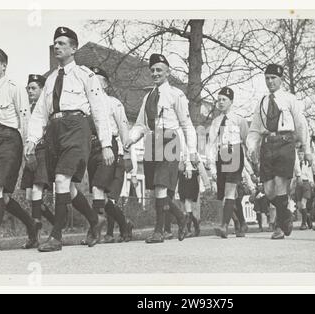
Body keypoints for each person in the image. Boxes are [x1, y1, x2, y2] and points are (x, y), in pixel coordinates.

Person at [25, 27, 114, 252]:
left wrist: (106, 144)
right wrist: (32, 140)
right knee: (67, 187)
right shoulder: (51, 79)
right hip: (54, 130)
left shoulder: (86, 75)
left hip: (77, 127)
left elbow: (99, 109)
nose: (57, 46)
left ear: (74, 48)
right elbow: (39, 114)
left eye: (63, 43)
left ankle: (56, 236)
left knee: (62, 177)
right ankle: (95, 220)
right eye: (55, 43)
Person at [125, 53, 197, 244]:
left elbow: (186, 125)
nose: (155, 73)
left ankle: (159, 231)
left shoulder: (176, 94)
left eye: (159, 70)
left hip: (169, 139)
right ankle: (181, 218)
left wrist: (191, 154)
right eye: (153, 70)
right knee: (156, 189)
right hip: (151, 141)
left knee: (160, 186)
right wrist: (130, 139)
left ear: (167, 72)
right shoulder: (148, 97)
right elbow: (140, 124)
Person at [0, 46, 37, 253]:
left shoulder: (15, 88)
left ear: (4, 66)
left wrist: (27, 147)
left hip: (10, 140)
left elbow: (25, 118)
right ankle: (31, 226)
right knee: (0, 195)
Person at [247, 64, 312, 240]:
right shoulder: (262, 102)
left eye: (273, 78)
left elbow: (300, 124)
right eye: (267, 78)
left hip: (285, 143)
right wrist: (251, 146)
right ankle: (287, 215)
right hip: (267, 145)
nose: (270, 81)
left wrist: (306, 148)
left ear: (281, 80)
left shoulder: (290, 99)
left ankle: (280, 227)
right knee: (268, 191)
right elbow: (254, 129)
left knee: (280, 183)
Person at [83, 66, 134, 244]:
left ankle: (94, 230)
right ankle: (125, 223)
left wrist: (127, 155)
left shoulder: (113, 103)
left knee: (99, 188)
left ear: (105, 84)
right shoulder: (86, 105)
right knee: (101, 197)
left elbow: (123, 128)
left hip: (109, 147)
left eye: (98, 80)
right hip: (91, 148)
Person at [207, 87, 250, 239]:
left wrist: (250, 164)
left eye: (224, 99)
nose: (220, 102)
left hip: (235, 153)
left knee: (230, 191)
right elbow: (211, 143)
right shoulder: (216, 122)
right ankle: (241, 223)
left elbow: (247, 140)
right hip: (221, 155)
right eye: (218, 100)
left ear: (231, 101)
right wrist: (211, 164)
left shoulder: (239, 120)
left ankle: (224, 225)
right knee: (225, 194)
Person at [20, 74, 55, 247]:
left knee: (36, 190)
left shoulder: (47, 108)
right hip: (30, 153)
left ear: (42, 90)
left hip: (42, 151)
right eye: (29, 88)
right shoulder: (26, 109)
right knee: (30, 196)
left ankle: (34, 235)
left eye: (34, 88)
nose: (30, 91)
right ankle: (57, 222)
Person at [295, 146, 314, 230]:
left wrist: (311, 181)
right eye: (299, 154)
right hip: (298, 185)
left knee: (303, 203)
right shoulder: (295, 164)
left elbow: (310, 174)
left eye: (302, 154)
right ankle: (308, 218)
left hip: (306, 183)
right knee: (299, 206)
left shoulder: (307, 163)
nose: (300, 156)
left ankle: (303, 224)